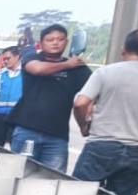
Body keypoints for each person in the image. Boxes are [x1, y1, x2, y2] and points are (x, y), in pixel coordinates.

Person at [69, 28, 138, 195]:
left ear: (124, 48)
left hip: (101, 145)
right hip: (137, 149)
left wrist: (84, 125)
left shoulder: (105, 72)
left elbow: (80, 103)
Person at [7, 24, 90, 171]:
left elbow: (92, 95)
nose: (55, 42)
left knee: (52, 180)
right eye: (50, 39)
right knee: (20, 174)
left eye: (60, 39)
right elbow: (38, 69)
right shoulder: (32, 58)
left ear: (67, 42)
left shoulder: (78, 68)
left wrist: (85, 123)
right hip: (27, 130)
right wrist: (67, 65)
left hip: (57, 136)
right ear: (41, 43)